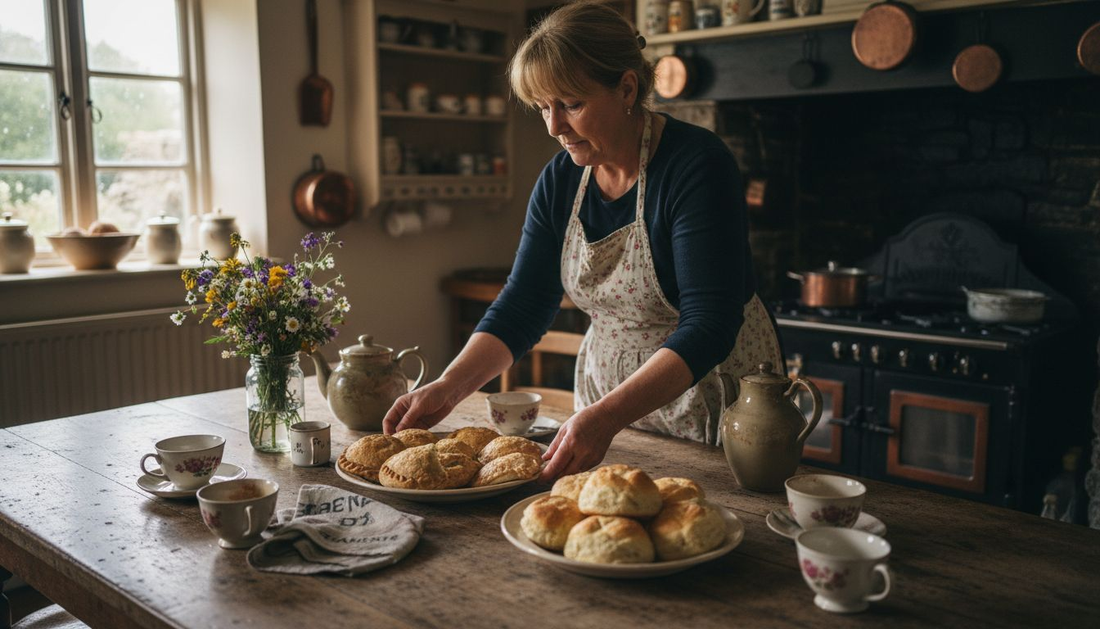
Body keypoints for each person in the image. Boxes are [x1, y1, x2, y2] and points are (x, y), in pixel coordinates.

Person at [383, 1, 783, 481]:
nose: (554, 127)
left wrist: (609, 416)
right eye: (542, 108)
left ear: (627, 88)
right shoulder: (561, 180)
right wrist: (448, 388)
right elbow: (523, 304)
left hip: (706, 391)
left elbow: (710, 324)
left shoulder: (696, 165)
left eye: (571, 104)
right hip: (602, 399)